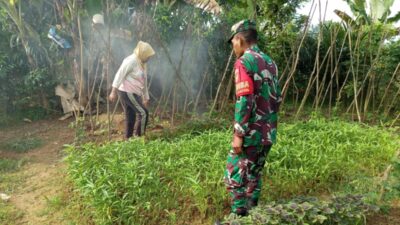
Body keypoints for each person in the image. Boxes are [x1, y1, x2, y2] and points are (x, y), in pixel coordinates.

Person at [224, 19, 282, 217]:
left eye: (233, 41)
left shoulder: (244, 62)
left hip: (250, 134)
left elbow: (244, 100)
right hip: (268, 133)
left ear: (239, 39)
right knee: (255, 173)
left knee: (234, 173)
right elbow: (278, 99)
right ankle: (252, 214)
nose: (232, 46)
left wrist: (239, 134)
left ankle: (238, 216)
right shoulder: (270, 62)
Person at [109, 41, 155, 138]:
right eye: (148, 56)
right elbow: (119, 74)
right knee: (143, 113)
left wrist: (145, 97)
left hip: (134, 92)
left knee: (131, 116)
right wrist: (113, 92)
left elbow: (144, 80)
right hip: (126, 91)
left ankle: (128, 138)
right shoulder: (131, 60)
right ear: (143, 53)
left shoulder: (142, 62)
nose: (149, 58)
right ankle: (140, 137)